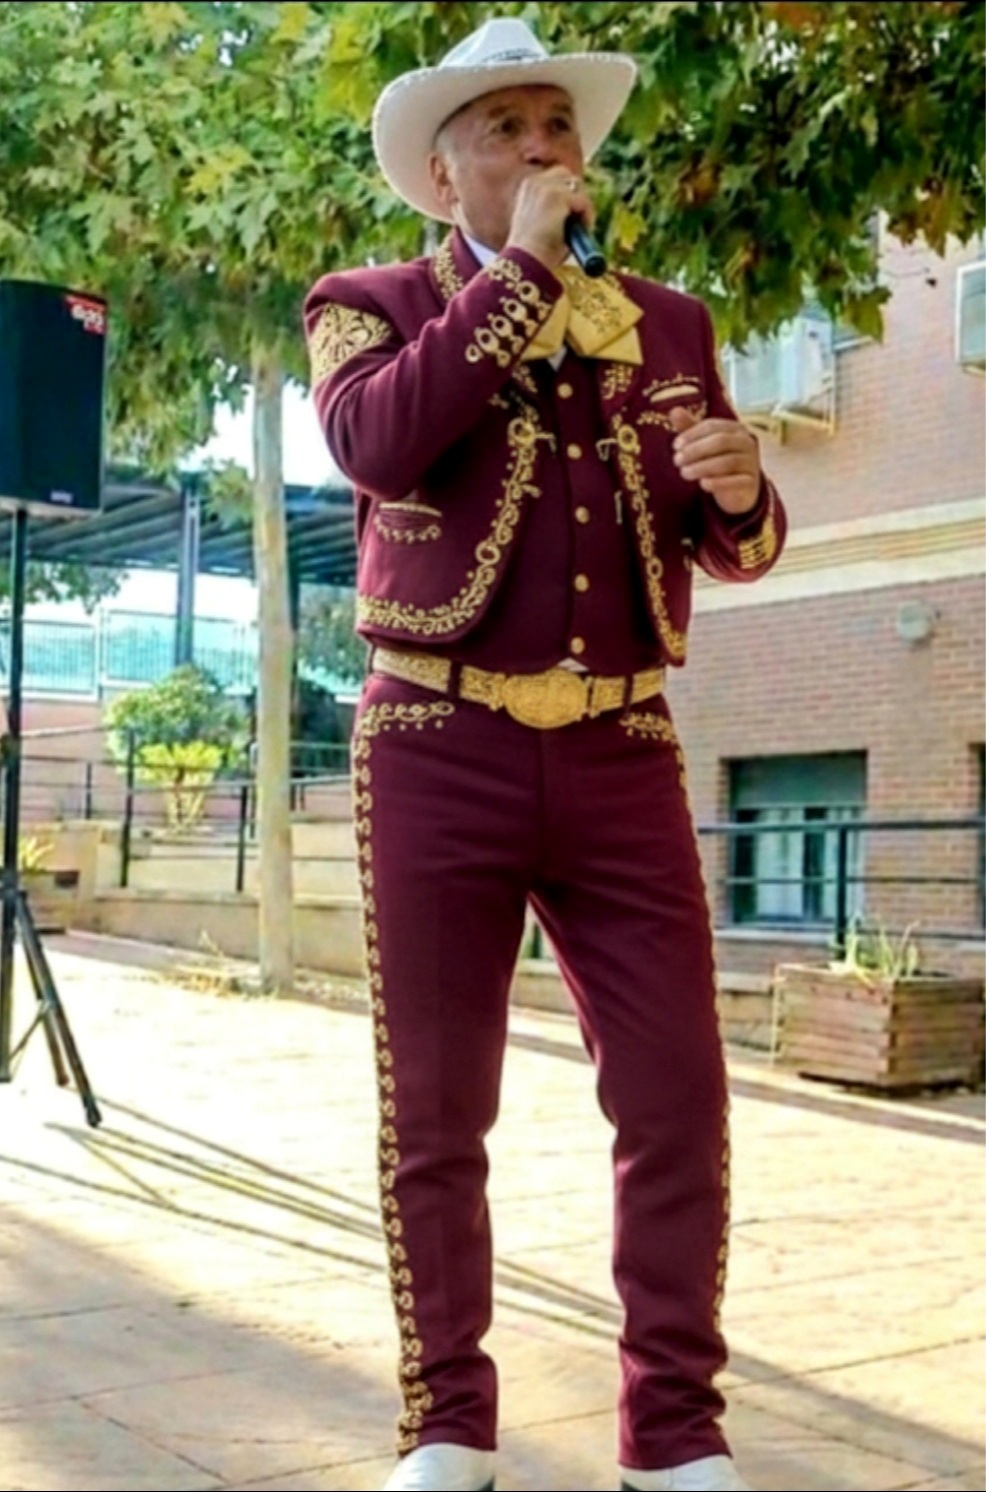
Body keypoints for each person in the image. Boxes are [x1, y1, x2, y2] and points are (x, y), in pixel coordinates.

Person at [303, 18, 786, 1492]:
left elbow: (730, 543)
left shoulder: (670, 322)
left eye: (556, 125)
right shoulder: (366, 305)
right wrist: (516, 277)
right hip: (433, 738)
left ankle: (675, 1431)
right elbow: (378, 447)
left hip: (623, 745)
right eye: (505, 129)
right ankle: (447, 1422)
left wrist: (742, 495)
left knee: (677, 1096)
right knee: (438, 1108)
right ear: (442, 174)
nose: (541, 147)